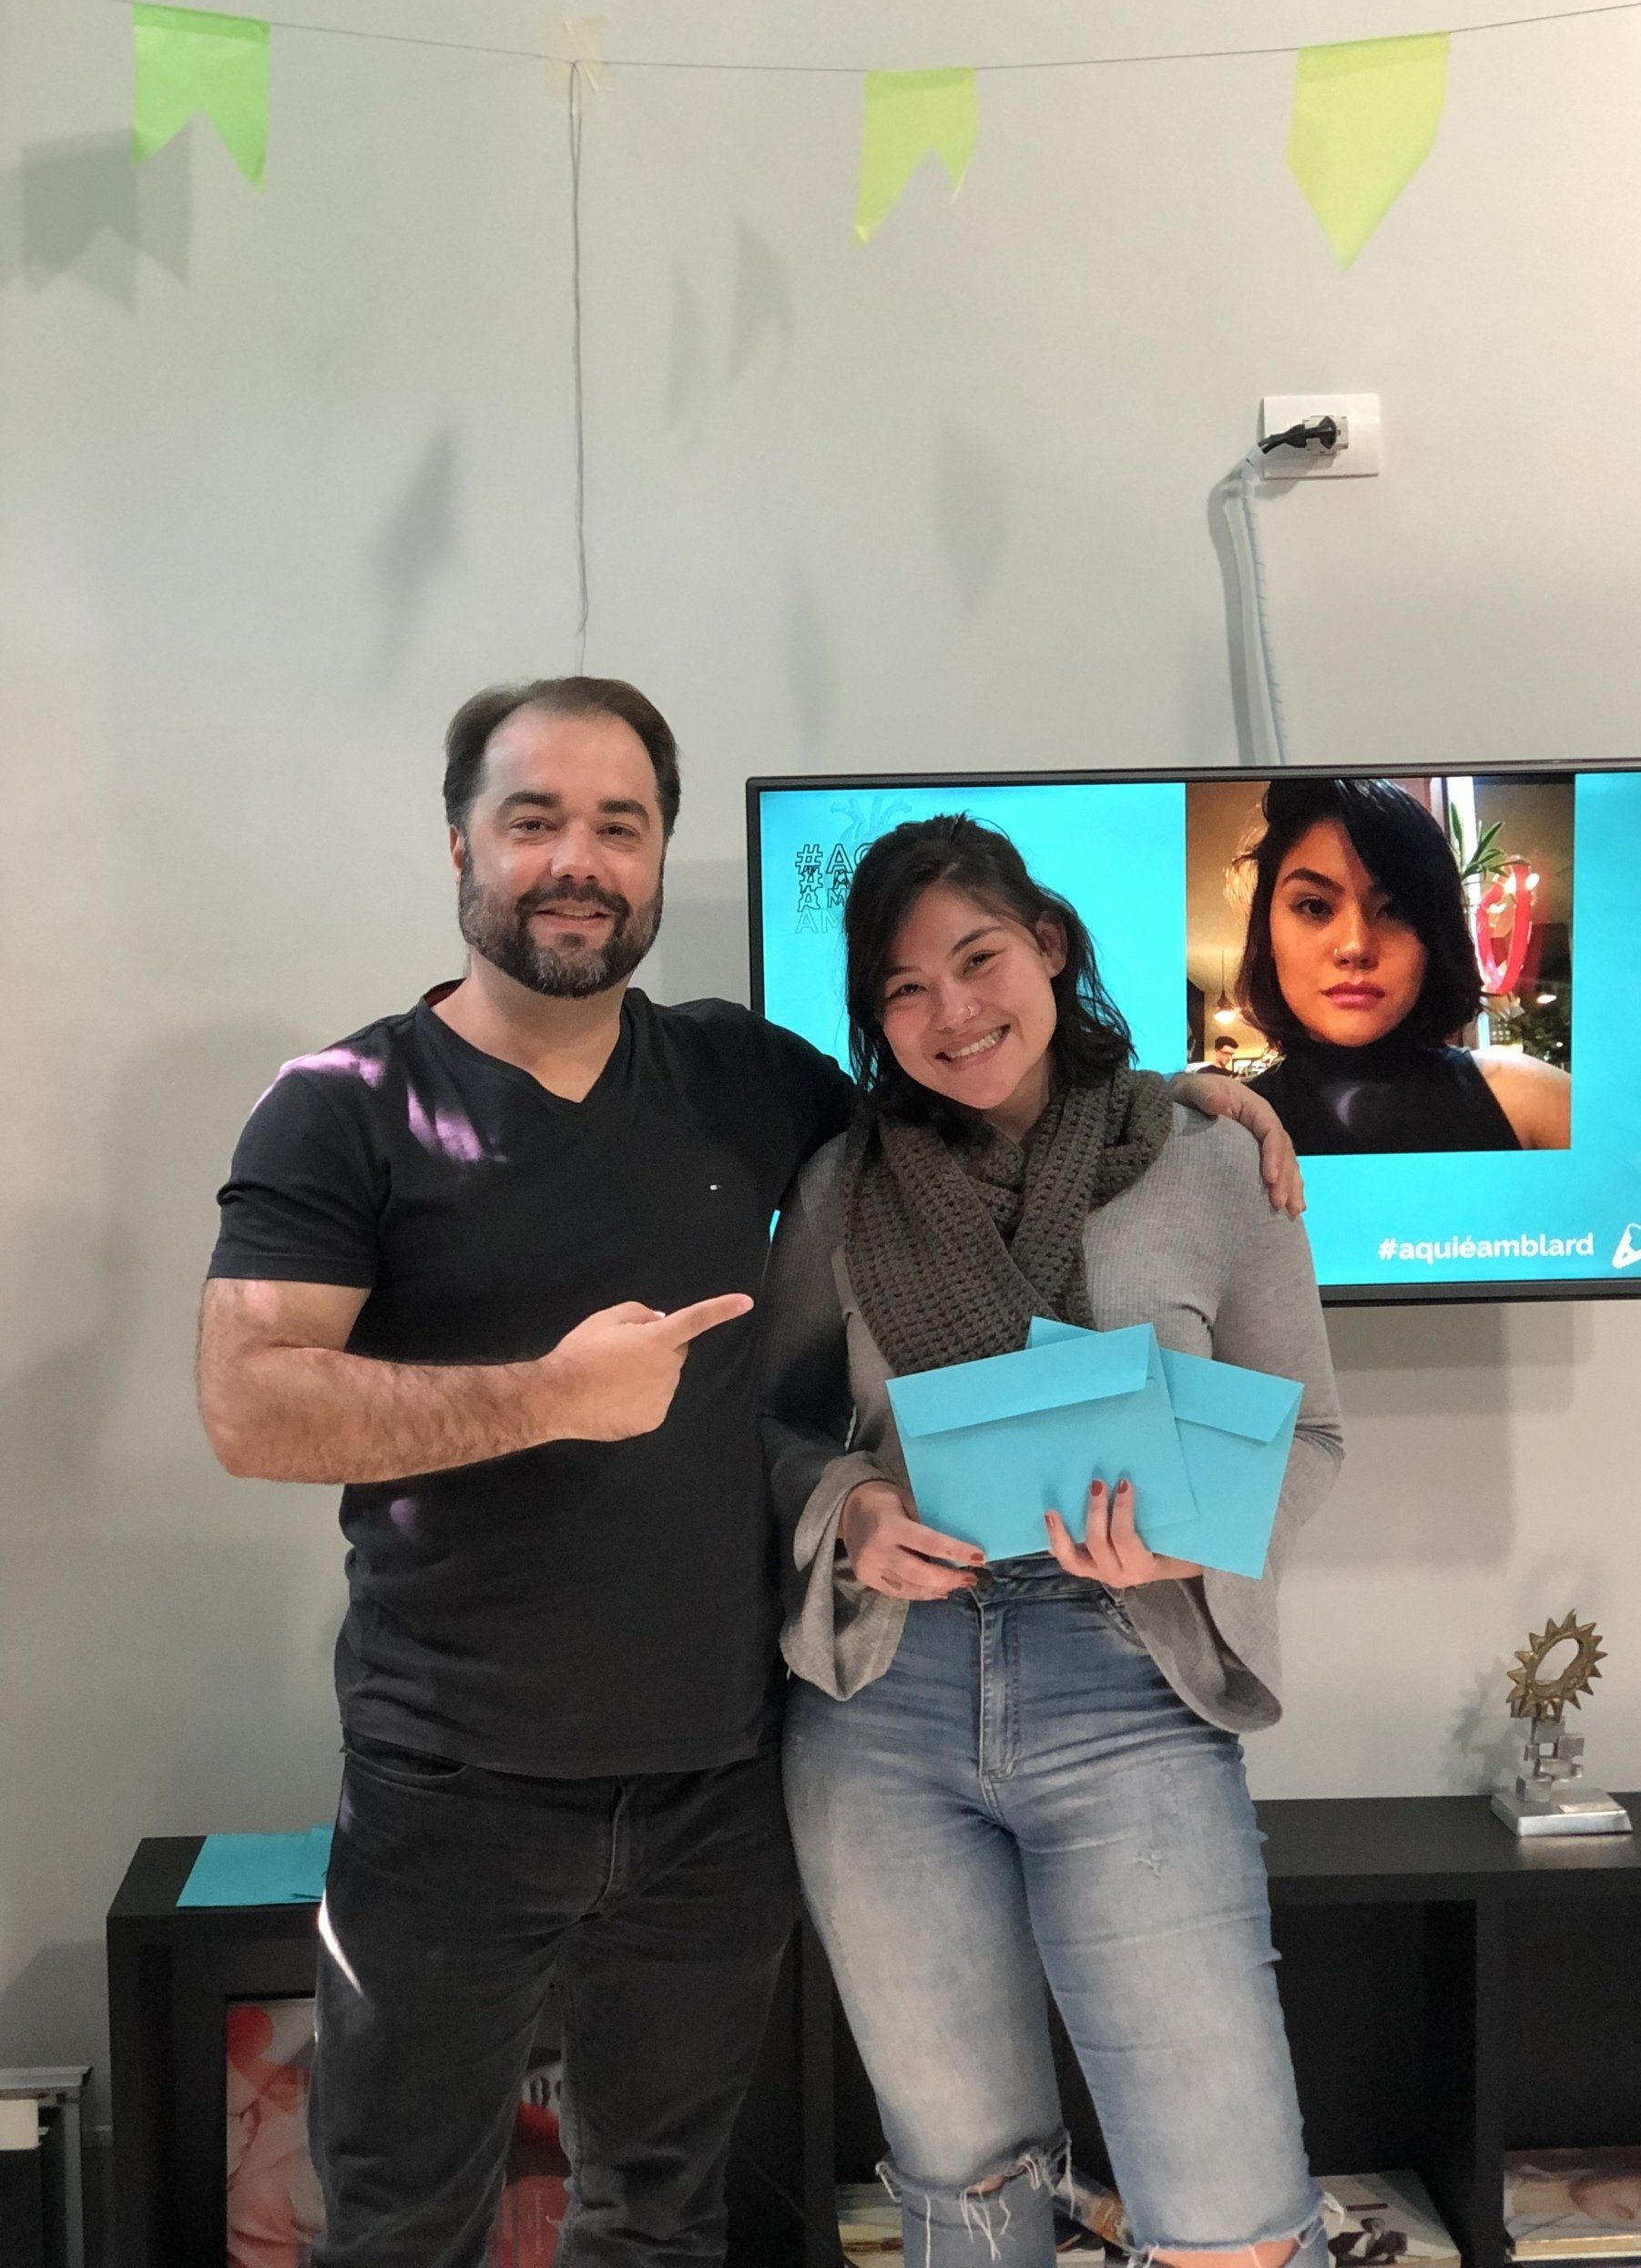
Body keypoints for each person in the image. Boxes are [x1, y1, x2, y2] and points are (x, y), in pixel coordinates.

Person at [196, 679, 1299, 2268]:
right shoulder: (345, 1109)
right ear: (459, 843)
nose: (577, 858)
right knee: (398, 2227)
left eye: (618, 824)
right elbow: (251, 1407)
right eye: (533, 819)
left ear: (656, 859)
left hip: (726, 1777)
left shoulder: (744, 1079)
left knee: (658, 2219)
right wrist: (548, 1400)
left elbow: (967, 1102)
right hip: (452, 1789)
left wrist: (1181, 1098)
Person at [760, 814, 1343, 2268]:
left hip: (1130, 1686)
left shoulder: (1210, 1156)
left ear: (1054, 948)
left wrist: (1183, 1547)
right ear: (873, 1016)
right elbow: (760, 1438)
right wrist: (852, 1510)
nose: (952, 1012)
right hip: (884, 1707)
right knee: (966, 2195)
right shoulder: (843, 1188)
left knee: (1229, 2216)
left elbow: (1309, 1437)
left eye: (979, 958)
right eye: (905, 988)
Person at [1233, 777, 1571, 1155]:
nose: (1355, 946)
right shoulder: (1226, 1131)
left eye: (1395, 910)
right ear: (1268, 931)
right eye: (1314, 906)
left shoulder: (1531, 1102)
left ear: (1433, 936)